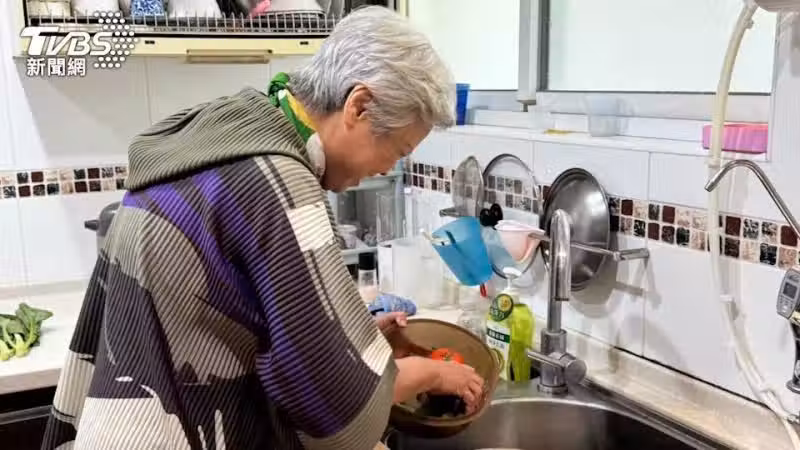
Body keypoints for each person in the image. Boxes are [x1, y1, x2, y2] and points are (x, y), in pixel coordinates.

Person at [41, 6, 484, 450]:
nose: (388, 168)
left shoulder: (223, 136)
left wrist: (355, 337)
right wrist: (428, 373)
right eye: (397, 149)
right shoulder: (278, 179)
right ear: (359, 106)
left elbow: (243, 319)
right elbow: (329, 400)